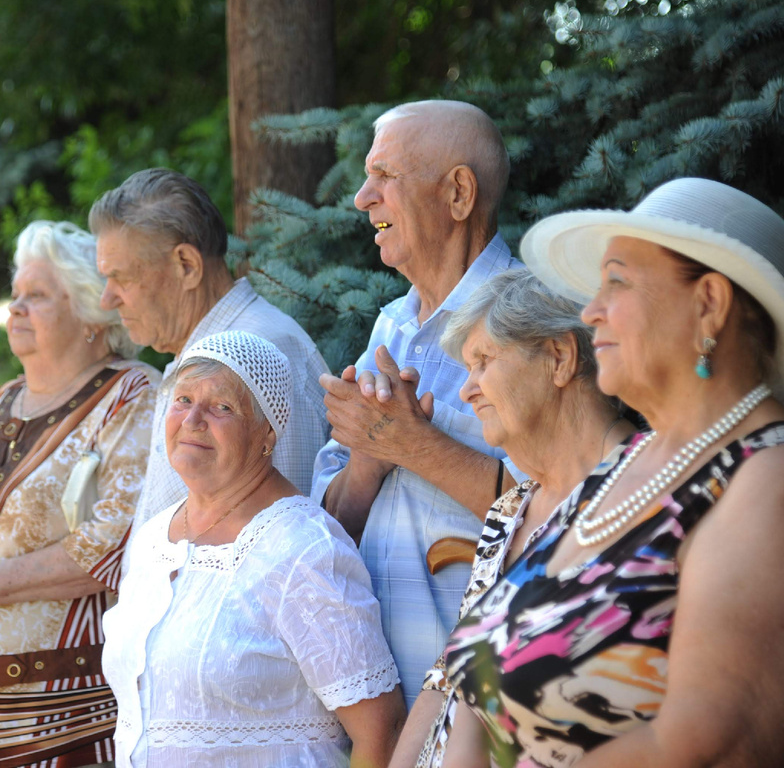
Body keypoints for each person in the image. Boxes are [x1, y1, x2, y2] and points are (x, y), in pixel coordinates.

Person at [443, 177, 784, 767]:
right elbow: (480, 699)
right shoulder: (626, 467)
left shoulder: (773, 479)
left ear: (708, 303)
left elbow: (715, 746)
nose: (591, 311)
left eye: (616, 281)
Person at [0, 221, 158, 768]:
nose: (15, 308)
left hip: (65, 722)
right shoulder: (0, 401)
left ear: (92, 316)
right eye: (15, 295)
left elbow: (118, 543)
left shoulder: (132, 395)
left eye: (38, 296)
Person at [103, 330, 406, 767]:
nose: (193, 420)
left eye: (222, 407)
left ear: (267, 432)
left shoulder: (302, 548)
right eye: (183, 400)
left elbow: (383, 732)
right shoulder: (154, 539)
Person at [312, 100, 523, 706]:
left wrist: (414, 446)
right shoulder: (391, 328)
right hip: (378, 702)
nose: (362, 197)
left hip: (484, 705)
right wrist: (368, 462)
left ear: (458, 193)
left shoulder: (527, 326)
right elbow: (330, 526)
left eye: (386, 176)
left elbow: (565, 510)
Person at [386, 269, 636, 767]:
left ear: (560, 358)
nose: (466, 390)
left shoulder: (637, 492)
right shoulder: (510, 510)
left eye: (482, 362)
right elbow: (450, 675)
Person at [89, 168, 329, 535]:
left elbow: (288, 538)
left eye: (121, 277)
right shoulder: (201, 352)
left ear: (187, 266)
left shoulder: (264, 353)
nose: (107, 299)